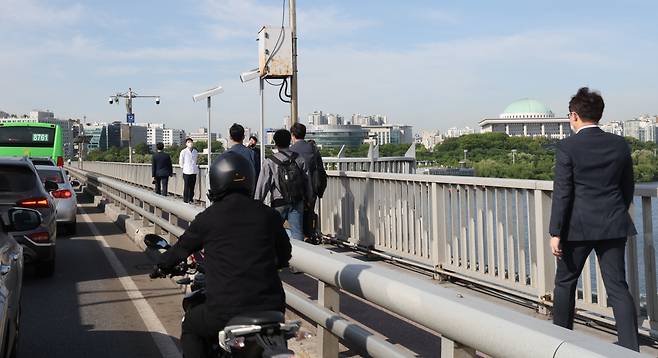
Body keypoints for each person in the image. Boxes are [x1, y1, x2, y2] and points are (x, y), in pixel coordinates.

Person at [156, 151, 292, 358]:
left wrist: (162, 265)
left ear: (217, 179)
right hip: (272, 309)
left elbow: (181, 248)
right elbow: (285, 254)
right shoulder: (269, 215)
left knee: (191, 324)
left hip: (226, 310)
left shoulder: (209, 218)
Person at [549, 87, 639, 351]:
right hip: (613, 223)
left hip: (577, 227)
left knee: (565, 283)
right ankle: (630, 350)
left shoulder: (567, 146)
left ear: (574, 116)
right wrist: (615, 211)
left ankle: (560, 342)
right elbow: (628, 187)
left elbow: (563, 191)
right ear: (599, 114)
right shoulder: (619, 144)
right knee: (618, 287)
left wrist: (556, 232)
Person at [255, 129, 312, 241]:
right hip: (297, 200)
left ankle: (277, 256)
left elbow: (263, 185)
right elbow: (307, 180)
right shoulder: (299, 158)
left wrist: (257, 203)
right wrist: (308, 199)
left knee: (272, 232)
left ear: (275, 143)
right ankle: (297, 256)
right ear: (290, 141)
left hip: (278, 202)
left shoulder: (270, 161)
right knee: (297, 232)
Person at [290, 123, 327, 242]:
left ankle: (300, 241)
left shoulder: (290, 151)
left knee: (296, 218)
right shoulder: (313, 149)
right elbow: (320, 170)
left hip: (295, 191)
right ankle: (309, 236)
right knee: (309, 214)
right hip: (312, 189)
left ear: (293, 135)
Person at [179, 138, 199, 203]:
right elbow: (181, 161)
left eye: (191, 142)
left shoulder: (195, 151)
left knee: (192, 186)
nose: (190, 143)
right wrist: (183, 167)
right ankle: (185, 199)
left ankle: (190, 198)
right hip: (186, 171)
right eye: (188, 142)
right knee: (186, 186)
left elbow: (196, 160)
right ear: (186, 143)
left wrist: (196, 166)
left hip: (193, 171)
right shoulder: (183, 151)